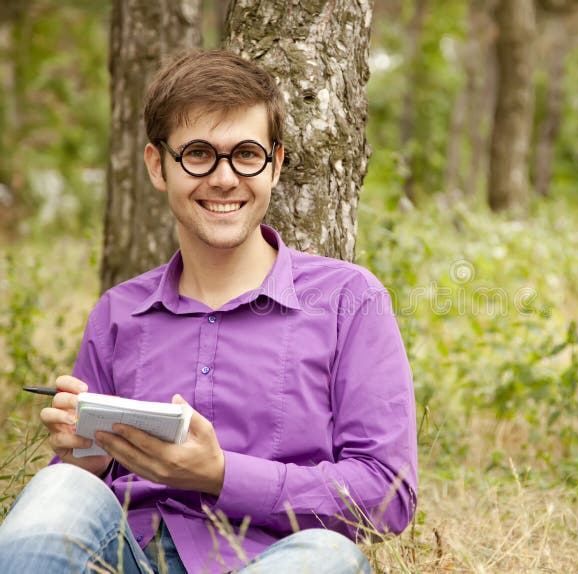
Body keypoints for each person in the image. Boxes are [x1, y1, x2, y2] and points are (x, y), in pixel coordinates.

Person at [0, 50, 417, 573]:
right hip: (130, 555)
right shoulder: (118, 313)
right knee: (59, 487)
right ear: (158, 166)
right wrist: (86, 454)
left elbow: (388, 496)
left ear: (276, 163)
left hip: (274, 560)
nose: (224, 179)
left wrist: (221, 475)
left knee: (329, 558)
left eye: (246, 153)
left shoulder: (348, 300)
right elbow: (79, 504)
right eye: (198, 154)